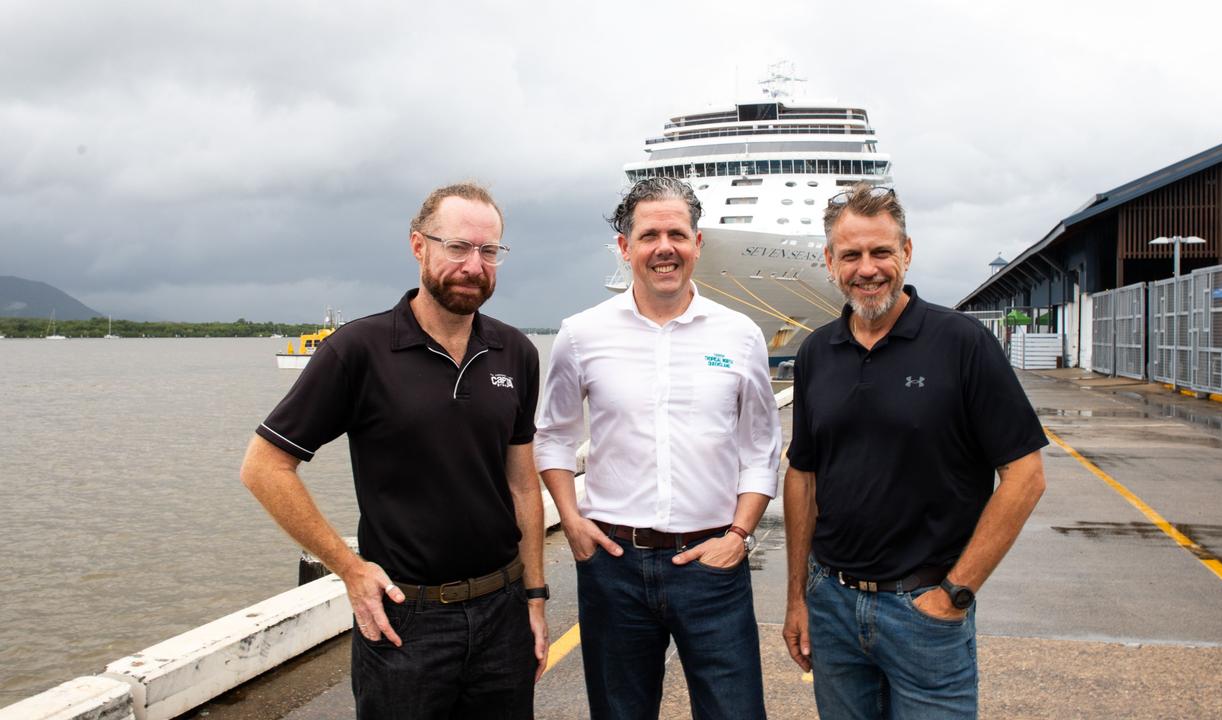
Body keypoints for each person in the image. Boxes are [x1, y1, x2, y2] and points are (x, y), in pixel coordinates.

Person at [240, 182, 548, 719]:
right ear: (418, 247)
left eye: (489, 251)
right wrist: (351, 570)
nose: (474, 265)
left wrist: (536, 598)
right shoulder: (359, 350)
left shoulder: (515, 352)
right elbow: (265, 466)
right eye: (457, 247)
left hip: (503, 611)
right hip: (408, 623)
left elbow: (523, 483)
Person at [781, 183, 1047, 719]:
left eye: (881, 251)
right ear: (829, 262)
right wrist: (797, 598)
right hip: (831, 603)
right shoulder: (816, 352)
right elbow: (803, 476)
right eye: (851, 255)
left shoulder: (962, 343)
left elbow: (1025, 475)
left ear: (906, 252)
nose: (868, 268)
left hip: (925, 610)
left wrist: (955, 594)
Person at [535, 177, 782, 720]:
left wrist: (739, 535)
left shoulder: (740, 335)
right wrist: (572, 521)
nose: (663, 247)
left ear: (697, 243)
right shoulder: (581, 334)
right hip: (613, 566)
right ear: (626, 248)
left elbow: (762, 446)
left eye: (677, 233)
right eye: (649, 235)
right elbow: (552, 435)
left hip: (712, 564)